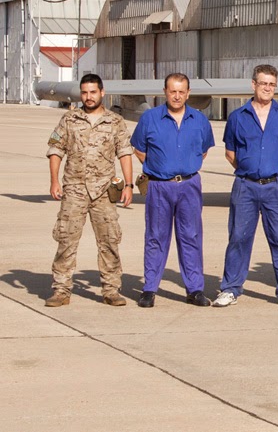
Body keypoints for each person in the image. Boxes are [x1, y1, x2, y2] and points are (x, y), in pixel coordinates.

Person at [214, 64, 278, 308]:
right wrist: (250, 170)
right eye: (263, 83)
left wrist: (272, 167)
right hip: (246, 186)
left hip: (277, 187)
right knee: (239, 237)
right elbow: (230, 152)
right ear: (253, 85)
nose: (267, 88)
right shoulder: (237, 117)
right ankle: (230, 288)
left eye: (272, 84)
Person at [44, 74, 134, 307]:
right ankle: (61, 290)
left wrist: (128, 184)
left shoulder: (115, 122)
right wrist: (54, 181)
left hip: (104, 190)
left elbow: (124, 152)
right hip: (74, 189)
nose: (88, 96)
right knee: (66, 240)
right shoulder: (70, 119)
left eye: (93, 92)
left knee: (109, 241)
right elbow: (55, 150)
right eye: (84, 92)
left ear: (102, 93)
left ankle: (111, 289)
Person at [130, 73, 215, 308]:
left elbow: (204, 150)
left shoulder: (199, 120)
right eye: (172, 91)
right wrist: (159, 168)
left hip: (188, 185)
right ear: (165, 92)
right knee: (156, 237)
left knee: (191, 236)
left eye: (181, 91)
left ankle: (195, 289)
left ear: (188, 93)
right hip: (159, 186)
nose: (177, 96)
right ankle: (149, 289)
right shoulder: (150, 119)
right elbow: (139, 149)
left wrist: (183, 166)